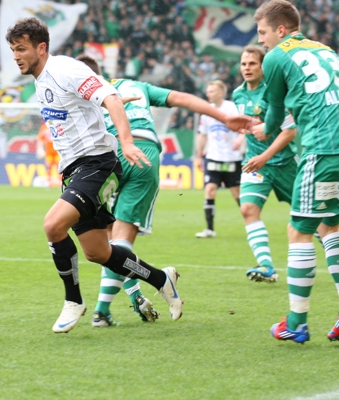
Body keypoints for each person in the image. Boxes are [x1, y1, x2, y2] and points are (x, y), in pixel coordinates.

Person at [6, 17, 183, 333]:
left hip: (98, 164)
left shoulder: (65, 69)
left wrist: (126, 142)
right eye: (13, 50)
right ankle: (160, 278)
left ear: (41, 47)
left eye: (21, 49)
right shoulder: (41, 79)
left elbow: (110, 97)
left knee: (52, 225)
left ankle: (73, 300)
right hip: (75, 170)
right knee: (98, 252)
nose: (16, 56)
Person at [76, 54, 254, 326]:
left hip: (106, 157)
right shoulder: (135, 86)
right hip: (144, 152)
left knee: (106, 240)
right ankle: (117, 301)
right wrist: (224, 117)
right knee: (117, 239)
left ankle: (106, 308)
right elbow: (182, 98)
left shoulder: (83, 94)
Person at [252, 0, 339, 343]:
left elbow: (275, 112)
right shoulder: (326, 50)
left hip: (325, 148)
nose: (261, 41)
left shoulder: (276, 57)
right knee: (327, 225)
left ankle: (296, 322)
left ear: (280, 29)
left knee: (298, 230)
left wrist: (265, 129)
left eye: (262, 33)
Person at [233, 45, 298, 284]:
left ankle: (334, 253)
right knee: (248, 209)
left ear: (263, 66)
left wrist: (265, 157)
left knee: (312, 217)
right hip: (255, 163)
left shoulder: (274, 92)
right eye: (243, 64)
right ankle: (267, 266)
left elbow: (289, 132)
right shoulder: (238, 94)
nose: (247, 68)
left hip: (285, 164)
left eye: (252, 64)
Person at [195, 80, 244, 238]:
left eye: (212, 91)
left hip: (232, 157)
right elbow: (203, 134)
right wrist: (199, 155)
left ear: (221, 93)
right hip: (213, 157)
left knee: (237, 194)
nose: (208, 94)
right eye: (208, 91)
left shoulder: (231, 108)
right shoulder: (206, 111)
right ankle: (209, 229)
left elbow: (244, 126)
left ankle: (250, 222)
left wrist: (240, 139)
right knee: (210, 190)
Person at [36, 122, 61, 187]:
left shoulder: (58, 125)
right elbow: (40, 139)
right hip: (49, 152)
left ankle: (61, 181)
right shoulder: (44, 127)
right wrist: (40, 149)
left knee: (60, 166)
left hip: (58, 151)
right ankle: (49, 182)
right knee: (49, 166)